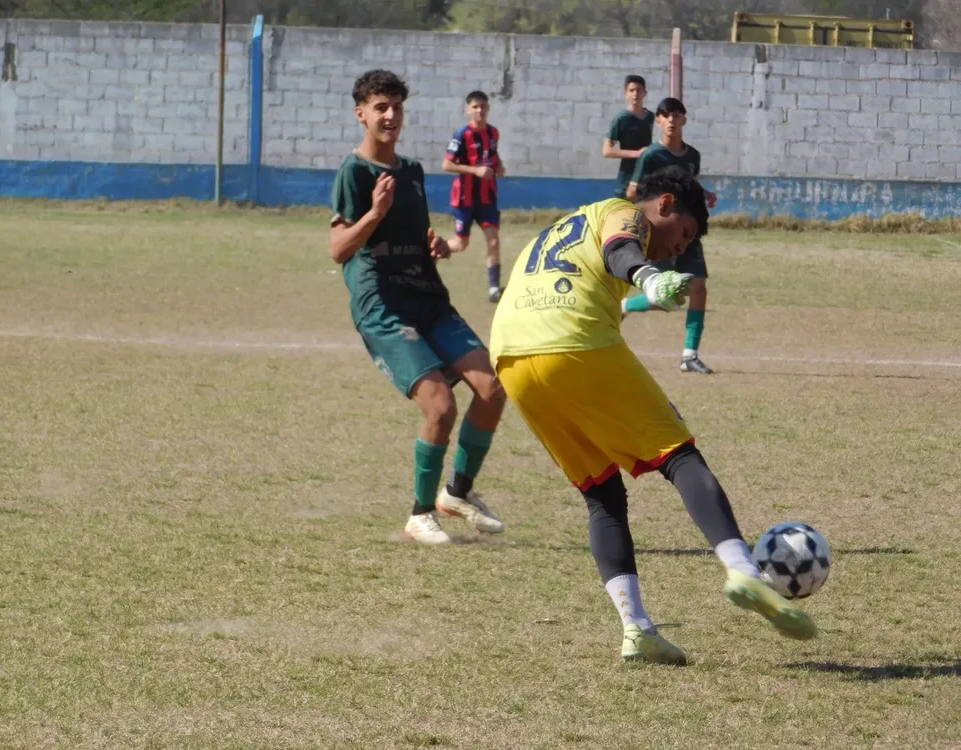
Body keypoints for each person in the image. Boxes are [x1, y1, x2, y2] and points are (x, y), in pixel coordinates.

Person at [489, 166, 816, 665]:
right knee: (680, 456)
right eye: (683, 234)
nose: (679, 248)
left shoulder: (566, 226)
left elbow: (605, 278)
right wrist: (649, 274)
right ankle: (743, 570)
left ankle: (637, 630)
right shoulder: (625, 214)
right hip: (571, 343)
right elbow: (623, 250)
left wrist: (651, 290)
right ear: (664, 204)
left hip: (512, 357)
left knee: (601, 493)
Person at [329, 70, 507, 545]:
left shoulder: (411, 171)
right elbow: (338, 249)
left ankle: (458, 494)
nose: (390, 116)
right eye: (381, 107)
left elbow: (415, 235)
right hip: (383, 305)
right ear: (361, 113)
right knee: (441, 405)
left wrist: (435, 245)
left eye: (397, 107)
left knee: (492, 388)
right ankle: (419, 514)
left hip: (427, 296)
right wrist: (373, 214)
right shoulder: (355, 172)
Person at [623, 97, 718, 375]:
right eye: (666, 115)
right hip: (662, 233)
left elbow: (692, 187)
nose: (672, 120)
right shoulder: (651, 156)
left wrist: (703, 196)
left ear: (684, 121)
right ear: (659, 120)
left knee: (698, 287)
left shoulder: (693, 156)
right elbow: (632, 192)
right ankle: (625, 305)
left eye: (677, 115)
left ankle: (689, 355)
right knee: (665, 298)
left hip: (687, 231)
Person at [443, 90, 507, 303]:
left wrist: (498, 166)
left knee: (494, 240)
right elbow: (447, 164)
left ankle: (494, 288)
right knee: (461, 244)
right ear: (468, 109)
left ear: (488, 109)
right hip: (464, 198)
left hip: (487, 197)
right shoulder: (461, 135)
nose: (480, 110)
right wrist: (475, 170)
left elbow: (493, 155)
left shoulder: (493, 133)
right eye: (475, 107)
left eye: (483, 106)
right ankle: (432, 250)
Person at [601, 74, 655, 199]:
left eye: (639, 90)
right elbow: (606, 151)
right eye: (631, 90)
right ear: (625, 93)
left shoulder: (650, 117)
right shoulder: (621, 118)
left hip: (646, 177)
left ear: (645, 93)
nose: (635, 94)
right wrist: (636, 154)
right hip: (627, 178)